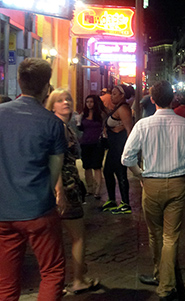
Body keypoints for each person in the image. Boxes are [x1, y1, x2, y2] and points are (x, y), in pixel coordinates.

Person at [122, 80, 185, 301]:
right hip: (177, 182)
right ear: (173, 98)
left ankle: (162, 278)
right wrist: (184, 172)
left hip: (152, 183)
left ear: (153, 99)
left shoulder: (143, 125)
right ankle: (165, 282)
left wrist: (140, 175)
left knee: (155, 233)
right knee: (170, 237)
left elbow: (127, 158)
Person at [0, 58, 66, 300]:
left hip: (3, 211)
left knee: (5, 280)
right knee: (51, 271)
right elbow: (54, 172)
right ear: (46, 88)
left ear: (19, 82)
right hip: (38, 209)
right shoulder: (52, 123)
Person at [47, 89, 100, 294]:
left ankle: (59, 281)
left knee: (58, 237)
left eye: (68, 98)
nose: (65, 102)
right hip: (65, 188)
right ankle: (77, 280)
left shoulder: (64, 126)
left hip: (68, 185)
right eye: (59, 100)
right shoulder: (57, 127)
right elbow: (54, 161)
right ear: (52, 106)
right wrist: (59, 189)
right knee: (77, 236)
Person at [102, 84, 134, 214]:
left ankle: (125, 203)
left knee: (120, 173)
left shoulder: (123, 109)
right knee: (108, 171)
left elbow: (129, 130)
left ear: (122, 95)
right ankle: (112, 199)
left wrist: (129, 149)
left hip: (119, 146)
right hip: (114, 145)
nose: (112, 96)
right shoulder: (118, 107)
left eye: (115, 94)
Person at [79, 94, 107, 199]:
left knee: (97, 166)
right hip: (85, 143)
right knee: (86, 166)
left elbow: (105, 126)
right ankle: (90, 189)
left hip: (97, 143)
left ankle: (97, 190)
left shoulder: (101, 114)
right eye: (87, 102)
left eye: (91, 102)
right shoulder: (83, 114)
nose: (89, 104)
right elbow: (80, 128)